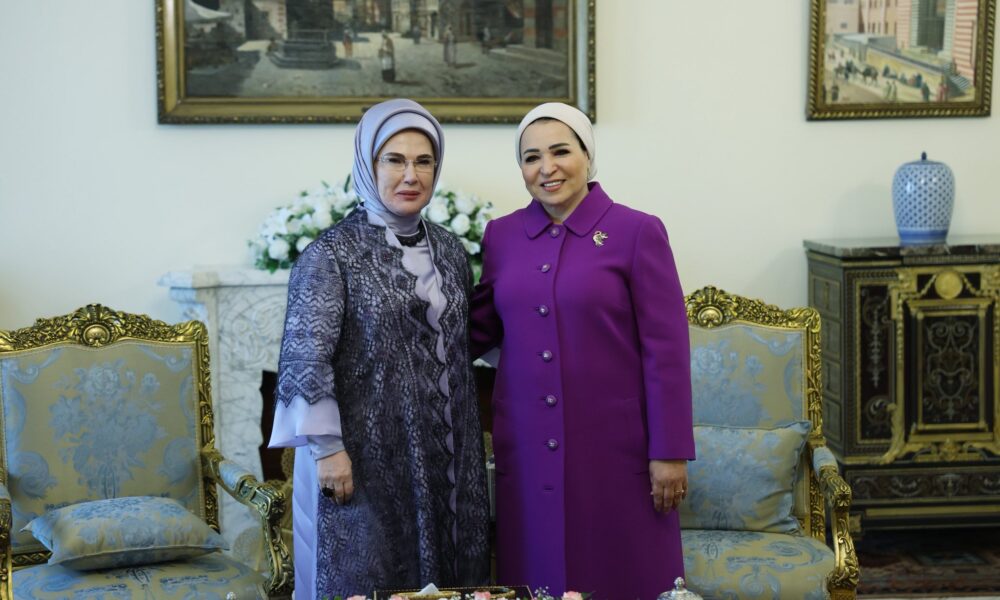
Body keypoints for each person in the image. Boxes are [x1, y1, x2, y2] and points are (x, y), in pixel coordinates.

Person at [470, 102, 695, 599]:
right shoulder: (502, 236)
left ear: (587, 156)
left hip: (616, 447)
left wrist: (670, 452)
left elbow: (667, 351)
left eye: (560, 152)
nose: (546, 168)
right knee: (536, 576)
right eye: (531, 157)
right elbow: (478, 327)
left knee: (625, 574)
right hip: (527, 446)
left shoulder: (637, 231)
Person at [269, 98, 490, 599]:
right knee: (364, 573)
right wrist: (328, 451)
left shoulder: (451, 250)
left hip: (446, 454)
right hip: (361, 459)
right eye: (394, 160)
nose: (411, 175)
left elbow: (462, 341)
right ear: (368, 165)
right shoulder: (330, 254)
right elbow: (305, 358)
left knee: (450, 575)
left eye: (424, 161)